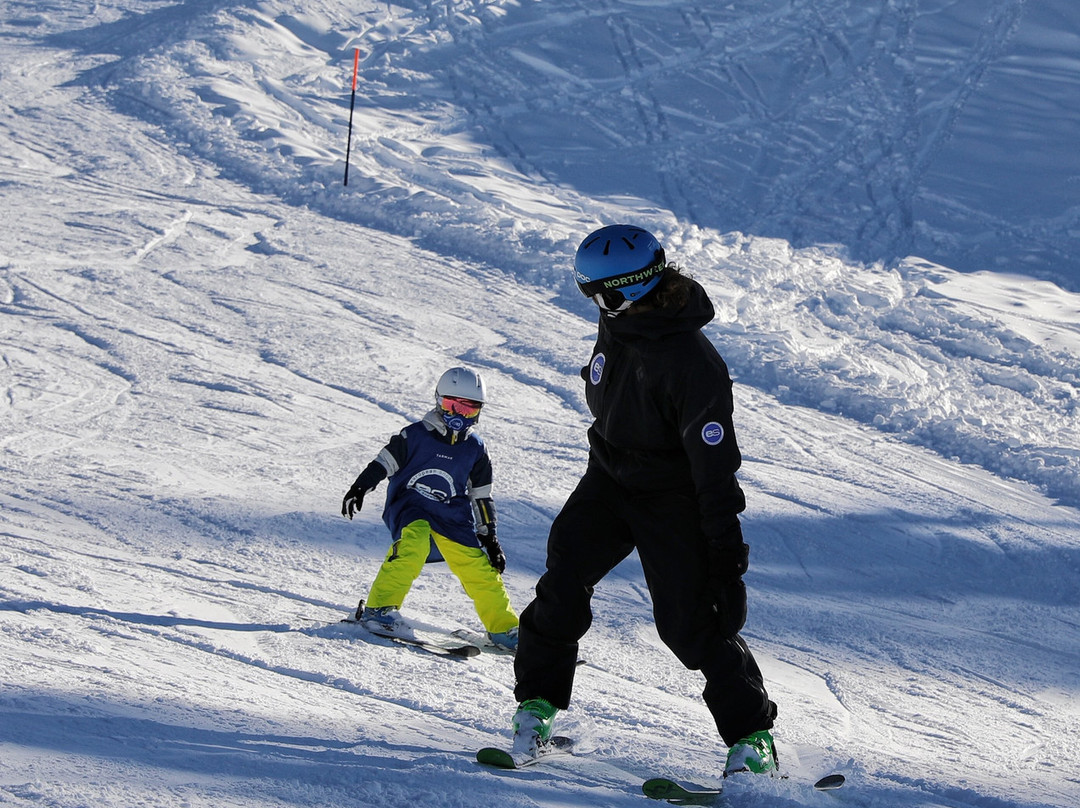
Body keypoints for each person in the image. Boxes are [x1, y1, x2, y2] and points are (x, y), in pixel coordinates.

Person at [510, 225, 779, 775]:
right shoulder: (621, 317)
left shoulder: (693, 363)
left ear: (633, 288)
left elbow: (714, 463)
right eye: (588, 294)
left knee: (690, 624)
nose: (596, 306)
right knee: (562, 583)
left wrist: (724, 545)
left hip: (671, 497)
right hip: (608, 477)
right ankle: (537, 703)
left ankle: (753, 741)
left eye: (601, 294)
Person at [341, 366, 519, 651]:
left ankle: (502, 628)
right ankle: (379, 609)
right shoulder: (415, 436)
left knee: (478, 566)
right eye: (453, 405)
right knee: (414, 544)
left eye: (469, 409)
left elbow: (481, 496)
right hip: (413, 507)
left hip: (453, 515)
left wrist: (490, 537)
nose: (459, 416)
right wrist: (360, 487)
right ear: (439, 401)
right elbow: (383, 463)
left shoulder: (475, 448)